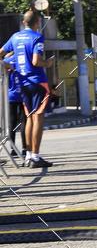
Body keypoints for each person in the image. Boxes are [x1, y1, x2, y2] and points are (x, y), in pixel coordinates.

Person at [0, 9, 54, 168]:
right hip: (37, 81)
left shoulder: (15, 37)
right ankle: (35, 156)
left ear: (24, 22)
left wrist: (7, 65)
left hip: (22, 83)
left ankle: (29, 155)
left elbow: (1, 53)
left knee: (30, 117)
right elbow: (37, 61)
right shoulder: (37, 37)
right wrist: (48, 63)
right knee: (38, 117)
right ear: (37, 23)